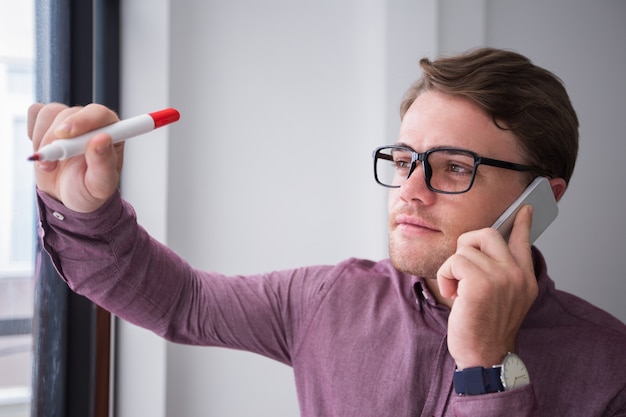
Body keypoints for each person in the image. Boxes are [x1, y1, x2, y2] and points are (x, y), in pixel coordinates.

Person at [29, 47, 626, 416]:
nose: (410, 191)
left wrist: (489, 369)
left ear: (541, 201)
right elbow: (181, 302)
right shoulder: (329, 300)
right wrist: (86, 212)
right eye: (403, 160)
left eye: (455, 168)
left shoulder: (611, 372)